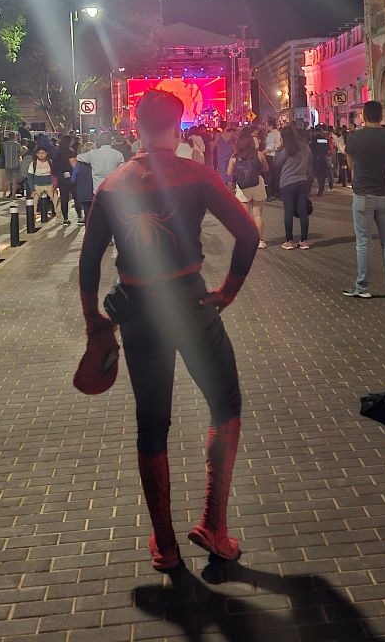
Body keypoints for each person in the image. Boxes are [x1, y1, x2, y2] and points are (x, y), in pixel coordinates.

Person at [75, 90, 259, 570]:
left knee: (152, 426)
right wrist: (228, 291)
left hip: (138, 312)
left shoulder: (113, 184)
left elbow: (90, 258)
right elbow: (249, 233)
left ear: (135, 124)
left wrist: (93, 318)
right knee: (225, 405)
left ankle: (166, 545)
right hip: (192, 302)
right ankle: (213, 525)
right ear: (177, 125)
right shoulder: (196, 174)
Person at [343, 100, 385, 299]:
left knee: (363, 242)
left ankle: (362, 287)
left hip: (362, 194)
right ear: (381, 115)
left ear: (364, 115)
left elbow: (349, 160)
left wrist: (356, 174)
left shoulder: (355, 137)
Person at [228, 127, 269, 250]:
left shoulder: (234, 157)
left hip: (242, 187)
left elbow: (229, 172)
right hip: (257, 184)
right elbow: (266, 168)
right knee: (258, 214)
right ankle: (260, 241)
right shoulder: (259, 154)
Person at [273, 125, 313, 250]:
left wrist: (278, 149)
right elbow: (310, 163)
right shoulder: (305, 147)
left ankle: (289, 241)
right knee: (303, 212)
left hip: (287, 184)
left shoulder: (286, 150)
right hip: (302, 181)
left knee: (289, 212)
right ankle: (304, 240)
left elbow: (276, 163)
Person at [51, 134, 81, 224]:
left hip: (61, 177)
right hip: (71, 177)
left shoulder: (57, 152)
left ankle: (65, 218)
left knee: (64, 198)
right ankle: (79, 216)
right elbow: (74, 165)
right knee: (76, 197)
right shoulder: (69, 152)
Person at [73, 141, 95, 222]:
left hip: (83, 192)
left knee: (87, 214)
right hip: (95, 191)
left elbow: (73, 179)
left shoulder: (78, 164)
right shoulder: (96, 163)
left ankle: (87, 232)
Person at [309, 127, 332, 197]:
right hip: (323, 159)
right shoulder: (325, 140)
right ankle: (320, 191)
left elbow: (310, 149)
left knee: (312, 175)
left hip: (315, 159)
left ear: (315, 132)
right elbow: (329, 151)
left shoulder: (313, 139)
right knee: (322, 176)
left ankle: (308, 190)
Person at [264, 118, 282, 198]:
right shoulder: (278, 133)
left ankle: (270, 194)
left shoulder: (272, 134)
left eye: (267, 126)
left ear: (271, 126)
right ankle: (278, 193)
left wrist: (261, 153)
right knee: (276, 175)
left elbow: (269, 148)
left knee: (270, 176)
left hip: (270, 156)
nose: (266, 127)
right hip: (277, 156)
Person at [1, 131, 22, 199]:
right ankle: (13, 196)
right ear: (15, 136)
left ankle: (4, 195)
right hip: (15, 164)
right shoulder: (17, 145)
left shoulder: (4, 144)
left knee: (7, 180)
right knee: (14, 181)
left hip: (7, 164)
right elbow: (19, 154)